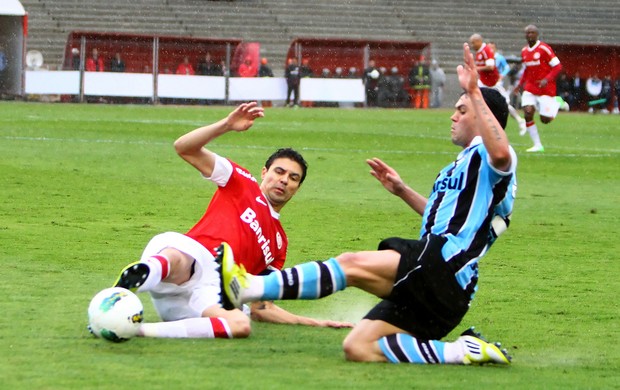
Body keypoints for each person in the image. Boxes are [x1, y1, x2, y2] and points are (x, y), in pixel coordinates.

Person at [221, 43, 515, 366]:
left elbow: (501, 154)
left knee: (351, 264)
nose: (453, 115)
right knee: (358, 346)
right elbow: (447, 217)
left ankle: (251, 286)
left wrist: (474, 91)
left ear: (484, 117)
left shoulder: (492, 157)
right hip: (449, 286)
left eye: (462, 109)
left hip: (445, 264)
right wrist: (402, 190)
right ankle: (463, 351)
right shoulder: (462, 166)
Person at [112, 102, 351, 339]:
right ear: (264, 173)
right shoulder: (241, 180)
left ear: (297, 188)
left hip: (206, 295)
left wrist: (314, 322)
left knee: (241, 325)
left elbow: (260, 306)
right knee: (178, 258)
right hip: (190, 259)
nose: (284, 180)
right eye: (279, 172)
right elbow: (184, 148)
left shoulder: (279, 244)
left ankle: (137, 330)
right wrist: (226, 125)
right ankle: (141, 275)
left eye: (293, 178)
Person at [515, 25, 564, 152]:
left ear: (537, 35)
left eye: (532, 32)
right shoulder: (524, 51)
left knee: (545, 120)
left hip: (545, 89)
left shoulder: (544, 49)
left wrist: (546, 79)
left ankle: (557, 103)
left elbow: (558, 66)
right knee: (528, 113)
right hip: (530, 88)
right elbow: (526, 70)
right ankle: (537, 145)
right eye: (527, 33)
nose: (530, 35)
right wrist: (520, 85)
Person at [470, 35, 526, 135]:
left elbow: (504, 68)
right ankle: (479, 126)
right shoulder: (480, 53)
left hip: (495, 83)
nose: (490, 49)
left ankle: (519, 120)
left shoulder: (496, 56)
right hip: (485, 82)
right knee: (477, 99)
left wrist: (501, 75)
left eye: (492, 47)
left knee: (505, 104)